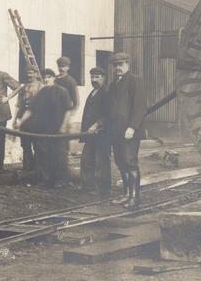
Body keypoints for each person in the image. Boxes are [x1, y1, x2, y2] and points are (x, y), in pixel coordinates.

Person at [15, 68, 73, 188]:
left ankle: (61, 180)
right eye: (45, 77)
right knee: (43, 154)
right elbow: (31, 109)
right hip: (44, 128)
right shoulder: (42, 93)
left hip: (58, 129)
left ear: (54, 78)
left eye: (49, 77)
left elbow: (68, 110)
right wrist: (20, 122)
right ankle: (45, 180)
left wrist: (63, 126)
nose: (46, 79)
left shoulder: (62, 91)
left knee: (59, 155)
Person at [108, 52, 147, 208]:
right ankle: (126, 194)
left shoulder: (135, 82)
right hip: (116, 131)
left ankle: (134, 197)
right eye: (115, 65)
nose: (118, 68)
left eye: (121, 64)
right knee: (120, 163)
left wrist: (132, 127)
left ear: (127, 65)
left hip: (130, 132)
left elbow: (140, 107)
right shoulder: (113, 85)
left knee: (130, 163)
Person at [80, 67, 111, 196]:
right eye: (92, 77)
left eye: (97, 77)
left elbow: (109, 113)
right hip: (90, 134)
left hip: (101, 134)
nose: (94, 80)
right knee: (87, 159)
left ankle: (103, 189)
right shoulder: (93, 92)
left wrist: (97, 124)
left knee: (101, 161)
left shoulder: (106, 92)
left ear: (103, 78)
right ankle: (88, 186)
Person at [54, 56, 79, 180]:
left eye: (64, 66)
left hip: (65, 117)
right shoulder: (55, 80)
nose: (61, 68)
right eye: (60, 66)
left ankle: (64, 175)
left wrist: (69, 118)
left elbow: (76, 102)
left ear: (68, 67)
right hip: (53, 118)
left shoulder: (71, 81)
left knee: (63, 147)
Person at [14, 65, 43, 172]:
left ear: (36, 74)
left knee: (37, 145)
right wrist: (15, 120)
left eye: (32, 72)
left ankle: (37, 169)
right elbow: (18, 104)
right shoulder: (24, 87)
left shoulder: (41, 87)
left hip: (36, 121)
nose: (29, 75)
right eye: (28, 73)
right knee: (25, 145)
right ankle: (27, 168)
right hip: (24, 121)